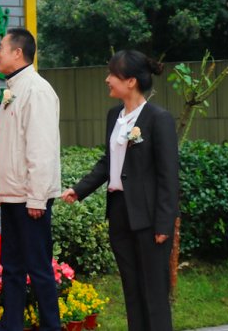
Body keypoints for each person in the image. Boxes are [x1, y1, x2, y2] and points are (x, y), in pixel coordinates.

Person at [61, 49, 179, 331]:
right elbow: (109, 162)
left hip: (150, 220)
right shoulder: (115, 115)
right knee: (132, 289)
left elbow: (168, 176)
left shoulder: (158, 118)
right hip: (119, 212)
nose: (107, 79)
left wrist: (164, 223)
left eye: (113, 74)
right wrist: (79, 190)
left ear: (131, 82)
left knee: (154, 293)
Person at [0, 28, 62, 331]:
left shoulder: (37, 90)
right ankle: (12, 325)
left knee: (39, 269)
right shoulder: (15, 88)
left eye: (2, 48)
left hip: (29, 199)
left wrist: (36, 197)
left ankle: (51, 326)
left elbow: (41, 149)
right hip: (12, 196)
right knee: (13, 268)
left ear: (17, 53)